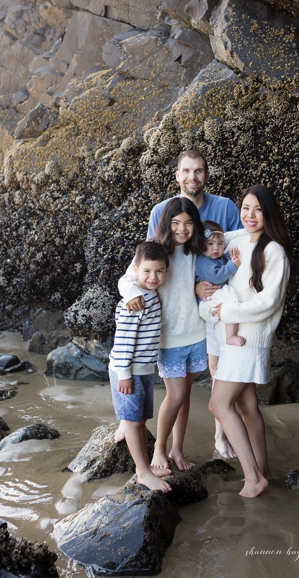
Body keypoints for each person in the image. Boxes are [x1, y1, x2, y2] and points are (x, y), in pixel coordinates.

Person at [144, 149, 242, 458]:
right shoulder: (162, 214)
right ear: (177, 175)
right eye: (186, 171)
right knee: (176, 394)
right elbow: (147, 268)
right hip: (175, 323)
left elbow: (241, 249)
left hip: (210, 314)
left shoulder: (224, 209)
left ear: (207, 175)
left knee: (204, 383)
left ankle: (195, 444)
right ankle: (153, 442)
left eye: (198, 171)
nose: (192, 177)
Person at [200, 185, 293, 498]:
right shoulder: (237, 238)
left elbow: (269, 301)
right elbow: (202, 245)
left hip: (249, 340)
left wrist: (227, 310)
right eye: (245, 208)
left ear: (269, 213)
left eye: (258, 209)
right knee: (247, 405)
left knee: (218, 404)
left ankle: (253, 477)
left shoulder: (273, 251)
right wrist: (203, 292)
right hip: (232, 339)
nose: (250, 215)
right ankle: (264, 470)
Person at [120, 197, 206, 475]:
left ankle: (177, 448)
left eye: (189, 223)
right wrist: (131, 293)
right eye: (176, 223)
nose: (182, 228)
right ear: (166, 224)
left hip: (196, 334)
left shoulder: (197, 250)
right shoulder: (158, 252)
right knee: (176, 394)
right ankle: (159, 448)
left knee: (185, 395)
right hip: (169, 339)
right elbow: (128, 277)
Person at [110, 241, 172, 493]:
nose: (153, 277)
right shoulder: (134, 300)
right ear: (135, 269)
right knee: (135, 422)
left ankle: (127, 426)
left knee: (142, 417)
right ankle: (142, 472)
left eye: (159, 271)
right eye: (147, 271)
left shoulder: (149, 293)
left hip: (143, 368)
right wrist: (124, 374)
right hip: (128, 370)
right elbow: (123, 339)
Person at [196, 221, 244, 346]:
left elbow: (223, 262)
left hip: (215, 297)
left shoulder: (216, 257)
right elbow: (217, 277)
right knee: (232, 301)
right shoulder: (202, 261)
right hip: (208, 302)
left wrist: (230, 256)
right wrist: (232, 266)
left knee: (231, 300)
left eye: (220, 243)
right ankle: (230, 336)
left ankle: (228, 336)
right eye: (210, 244)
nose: (216, 248)